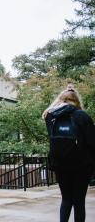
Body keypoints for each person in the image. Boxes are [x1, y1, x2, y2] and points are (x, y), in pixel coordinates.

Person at [42, 86, 95, 222]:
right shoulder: (82, 115)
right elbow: (92, 142)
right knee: (79, 201)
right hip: (81, 165)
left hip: (59, 163)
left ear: (60, 99)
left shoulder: (50, 116)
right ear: (77, 101)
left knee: (66, 199)